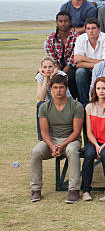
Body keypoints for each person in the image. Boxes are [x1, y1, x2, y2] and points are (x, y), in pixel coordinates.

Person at [30, 74, 83, 203]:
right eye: (55, 88)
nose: (58, 90)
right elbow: (44, 132)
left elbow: (76, 132)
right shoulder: (44, 107)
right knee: (36, 151)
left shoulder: (76, 106)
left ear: (66, 88)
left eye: (61, 87)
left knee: (72, 150)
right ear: (51, 89)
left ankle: (74, 189)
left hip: (71, 140)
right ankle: (35, 189)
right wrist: (52, 146)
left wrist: (62, 144)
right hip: (52, 140)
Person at [73, 18, 105, 105]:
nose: (91, 31)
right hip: (86, 69)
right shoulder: (80, 39)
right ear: (85, 30)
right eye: (88, 29)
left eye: (93, 28)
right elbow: (78, 64)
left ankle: (101, 103)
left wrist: (84, 58)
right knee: (80, 72)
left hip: (103, 69)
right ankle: (84, 103)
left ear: (99, 29)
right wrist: (97, 62)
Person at [35, 57, 71, 140]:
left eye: (50, 67)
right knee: (40, 105)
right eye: (45, 67)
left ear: (55, 67)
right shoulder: (40, 76)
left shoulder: (62, 75)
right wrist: (45, 78)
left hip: (64, 103)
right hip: (49, 104)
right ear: (41, 69)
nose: (47, 69)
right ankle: (42, 139)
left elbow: (57, 97)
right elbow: (41, 98)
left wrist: (52, 78)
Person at [44, 11, 78, 97]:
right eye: (60, 21)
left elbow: (74, 57)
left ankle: (72, 100)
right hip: (56, 66)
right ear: (57, 23)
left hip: (71, 66)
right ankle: (46, 100)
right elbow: (52, 59)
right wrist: (58, 71)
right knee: (42, 74)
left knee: (70, 75)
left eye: (66, 21)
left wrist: (63, 72)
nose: (63, 23)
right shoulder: (50, 39)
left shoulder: (76, 38)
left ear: (70, 22)